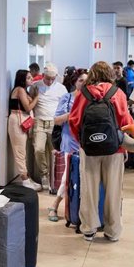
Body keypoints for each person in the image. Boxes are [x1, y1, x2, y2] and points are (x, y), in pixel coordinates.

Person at [68, 61, 133, 242]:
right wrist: (123, 145)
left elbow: (74, 121)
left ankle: (89, 228)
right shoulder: (117, 93)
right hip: (114, 149)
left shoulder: (84, 94)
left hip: (89, 149)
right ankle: (112, 231)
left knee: (88, 189)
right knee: (113, 190)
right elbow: (126, 121)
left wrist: (82, 142)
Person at [49, 68, 88, 221]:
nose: (84, 84)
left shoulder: (91, 99)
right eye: (81, 81)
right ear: (74, 82)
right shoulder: (67, 98)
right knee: (69, 175)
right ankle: (55, 205)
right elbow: (57, 120)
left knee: (83, 177)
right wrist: (73, 114)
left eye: (86, 81)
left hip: (86, 142)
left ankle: (75, 208)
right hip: (70, 141)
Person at [31, 63, 67, 191]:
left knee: (55, 152)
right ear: (43, 75)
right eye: (48, 78)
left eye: (53, 78)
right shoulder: (36, 86)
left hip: (54, 123)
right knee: (38, 149)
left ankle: (55, 178)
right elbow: (31, 104)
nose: (50, 81)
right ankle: (44, 174)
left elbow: (64, 107)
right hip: (39, 121)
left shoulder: (61, 88)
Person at [8, 69, 41, 191]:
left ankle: (26, 177)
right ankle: (25, 180)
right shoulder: (20, 90)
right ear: (22, 79)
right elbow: (27, 107)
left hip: (21, 120)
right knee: (20, 151)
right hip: (17, 120)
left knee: (23, 151)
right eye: (28, 78)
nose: (31, 79)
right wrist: (37, 98)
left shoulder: (24, 91)